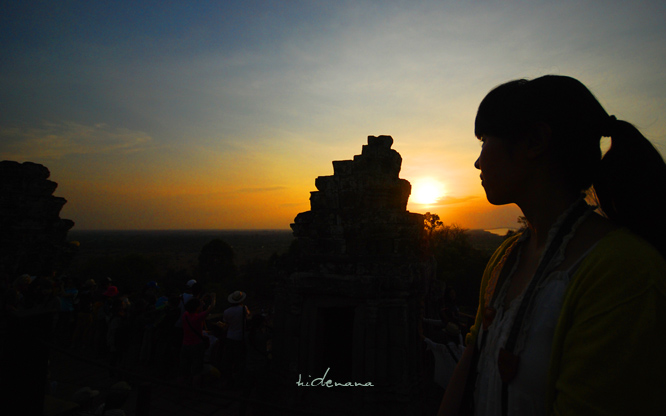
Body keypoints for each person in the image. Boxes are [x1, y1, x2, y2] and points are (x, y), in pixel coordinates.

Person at [439, 75, 666, 416]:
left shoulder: (624, 272)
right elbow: (472, 361)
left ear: (535, 141)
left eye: (484, 141)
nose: (477, 161)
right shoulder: (505, 258)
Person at [179, 293, 216, 387]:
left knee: (185, 367)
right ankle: (194, 387)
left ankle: (182, 385)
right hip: (196, 345)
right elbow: (211, 308)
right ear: (197, 308)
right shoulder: (198, 317)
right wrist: (213, 298)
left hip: (185, 344)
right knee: (197, 369)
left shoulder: (185, 315)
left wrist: (201, 299)